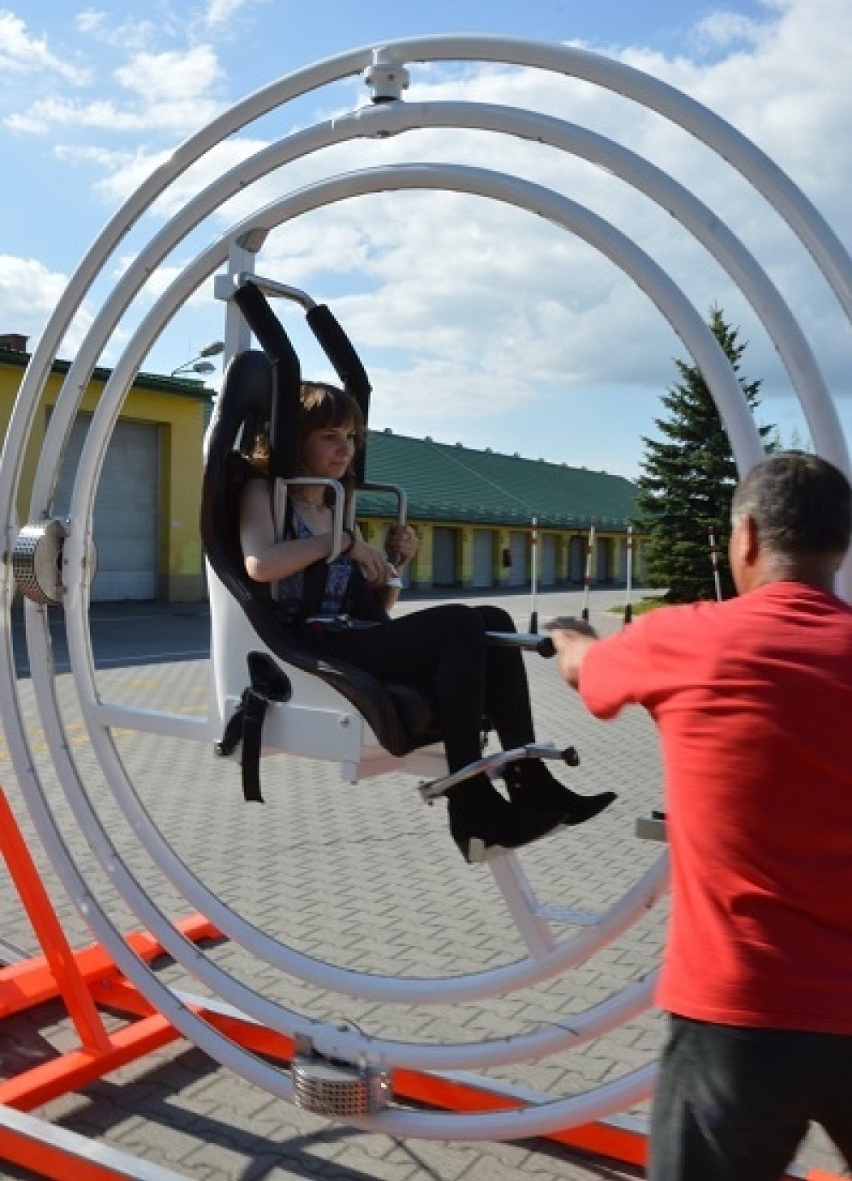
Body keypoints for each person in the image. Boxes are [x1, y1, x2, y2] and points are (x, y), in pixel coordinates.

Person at [549, 451, 852, 1181]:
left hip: (737, 1014)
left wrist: (566, 634)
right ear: (841, 547)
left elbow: (584, 670)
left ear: (744, 537)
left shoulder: (684, 637)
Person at [239, 380, 616, 865]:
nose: (345, 449)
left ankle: (532, 781)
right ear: (297, 440)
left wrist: (394, 563)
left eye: (351, 437)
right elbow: (260, 564)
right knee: (459, 622)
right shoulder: (267, 494)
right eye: (331, 436)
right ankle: (470, 802)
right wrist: (344, 544)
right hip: (306, 643)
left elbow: (377, 603)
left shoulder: (332, 505)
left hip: (351, 632)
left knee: (492, 618)